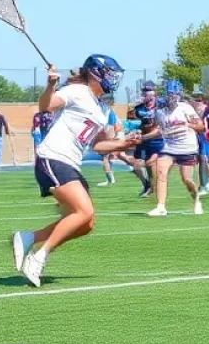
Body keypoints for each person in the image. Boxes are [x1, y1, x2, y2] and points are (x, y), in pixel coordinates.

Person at [12, 56, 140, 287]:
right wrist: (51, 84)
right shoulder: (77, 91)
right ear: (94, 73)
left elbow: (96, 145)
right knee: (83, 211)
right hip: (52, 157)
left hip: (71, 163)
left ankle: (29, 237)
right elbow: (46, 106)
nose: (113, 79)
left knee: (85, 224)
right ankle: (39, 257)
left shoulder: (102, 108)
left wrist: (124, 145)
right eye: (109, 73)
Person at [147, 80, 204, 217]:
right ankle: (161, 206)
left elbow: (201, 127)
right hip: (169, 146)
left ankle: (196, 199)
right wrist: (143, 137)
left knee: (186, 179)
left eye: (173, 94)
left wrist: (188, 125)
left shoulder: (185, 108)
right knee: (160, 172)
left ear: (178, 95)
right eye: (168, 94)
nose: (170, 97)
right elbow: (159, 130)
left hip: (187, 147)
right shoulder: (160, 112)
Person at [132, 81, 163, 199]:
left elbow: (162, 127)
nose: (146, 94)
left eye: (149, 91)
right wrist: (136, 132)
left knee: (151, 164)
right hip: (143, 141)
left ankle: (156, 188)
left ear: (155, 92)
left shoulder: (161, 106)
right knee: (137, 166)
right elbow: (134, 124)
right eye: (144, 91)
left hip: (158, 141)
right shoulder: (138, 108)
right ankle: (148, 186)